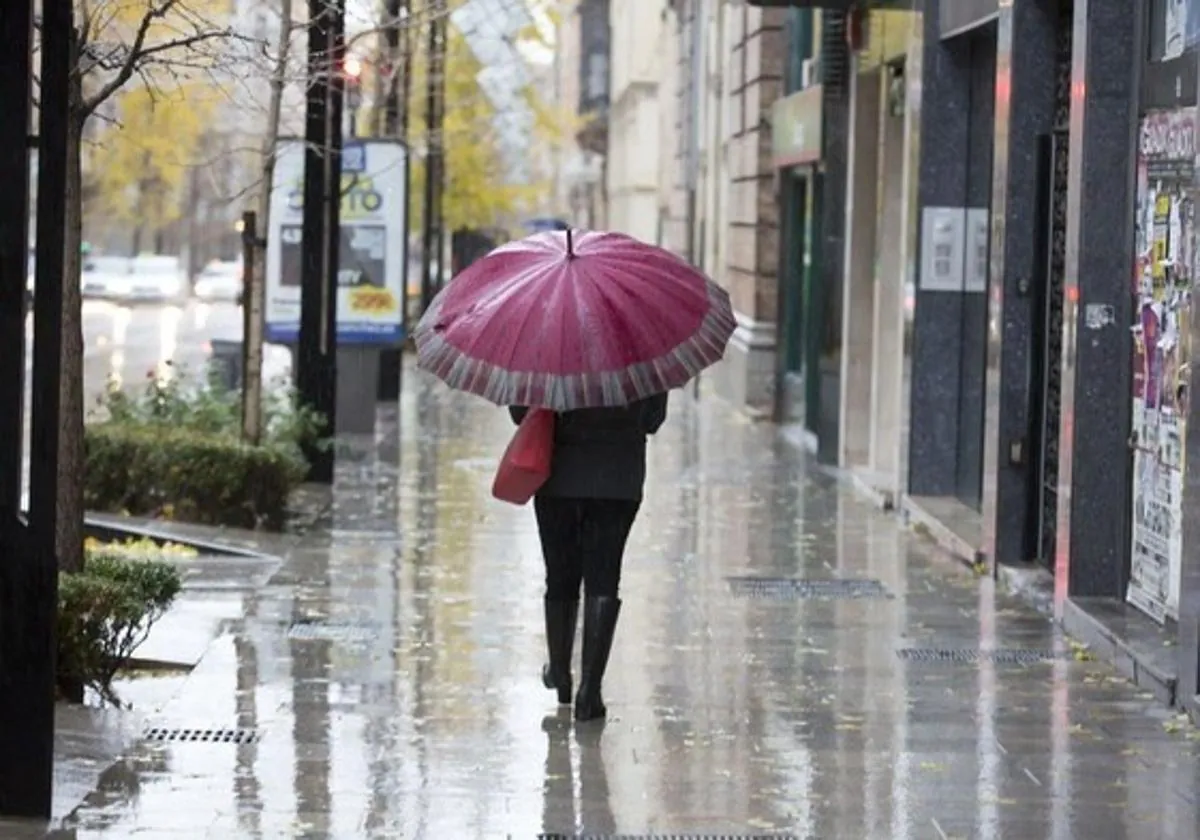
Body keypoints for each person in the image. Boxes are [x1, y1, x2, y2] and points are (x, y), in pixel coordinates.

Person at [509, 393, 669, 722]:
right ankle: (589, 692)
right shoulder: (638, 348)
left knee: (560, 574)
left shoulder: (547, 344)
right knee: (605, 575)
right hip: (618, 478)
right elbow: (652, 419)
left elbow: (519, 411)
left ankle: (559, 671)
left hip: (558, 475)